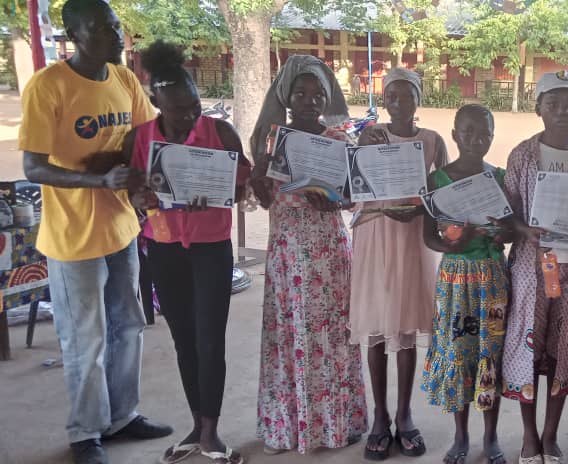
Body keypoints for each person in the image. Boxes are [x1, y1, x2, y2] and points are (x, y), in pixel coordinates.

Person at [18, 1, 173, 462]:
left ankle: (122, 415)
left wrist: (146, 175)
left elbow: (144, 139)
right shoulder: (48, 86)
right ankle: (86, 432)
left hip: (121, 228)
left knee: (130, 326)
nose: (115, 34)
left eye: (116, 25)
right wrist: (98, 179)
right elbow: (33, 167)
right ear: (75, 35)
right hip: (73, 238)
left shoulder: (123, 79)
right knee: (86, 337)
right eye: (102, 28)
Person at [124, 41, 251, 464]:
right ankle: (197, 424)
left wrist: (216, 192)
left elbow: (240, 186)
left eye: (194, 105)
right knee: (183, 340)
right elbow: (130, 191)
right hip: (163, 248)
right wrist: (140, 197)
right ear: (156, 104)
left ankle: (212, 432)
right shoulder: (141, 138)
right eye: (178, 109)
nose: (189, 115)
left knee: (210, 340)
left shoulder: (220, 133)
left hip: (211, 248)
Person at [248, 55, 368, 455]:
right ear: (287, 95)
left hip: (328, 250)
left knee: (331, 336)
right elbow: (266, 199)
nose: (310, 101)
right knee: (288, 335)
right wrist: (259, 177)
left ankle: (337, 426)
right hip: (287, 251)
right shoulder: (270, 140)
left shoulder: (339, 141)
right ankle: (286, 427)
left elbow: (353, 196)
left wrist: (337, 202)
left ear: (327, 98)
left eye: (318, 94)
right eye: (301, 93)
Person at [351, 66, 447, 461]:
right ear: (384, 99)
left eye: (407, 95)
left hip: (411, 239)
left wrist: (422, 210)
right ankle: (380, 416)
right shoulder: (369, 136)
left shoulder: (432, 140)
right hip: (375, 234)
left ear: (418, 99)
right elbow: (353, 185)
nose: (399, 102)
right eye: (392, 95)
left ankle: (405, 415)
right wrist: (360, 145)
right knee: (376, 328)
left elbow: (443, 193)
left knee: (406, 328)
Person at [501, 70, 568, 464]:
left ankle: (551, 434)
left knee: (564, 347)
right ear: (538, 106)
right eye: (553, 103)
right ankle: (529, 436)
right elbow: (507, 213)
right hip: (532, 266)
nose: (562, 111)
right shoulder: (523, 154)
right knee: (528, 345)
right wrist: (526, 230)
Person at [420, 104, 509, 464]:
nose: (476, 138)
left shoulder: (499, 177)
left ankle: (490, 436)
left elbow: (510, 228)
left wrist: (501, 233)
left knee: (490, 353)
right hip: (455, 279)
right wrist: (452, 245)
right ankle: (461, 436)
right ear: (455, 135)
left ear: (493, 136)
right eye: (468, 131)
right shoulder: (437, 181)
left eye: (484, 132)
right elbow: (429, 236)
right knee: (459, 353)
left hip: (491, 276)